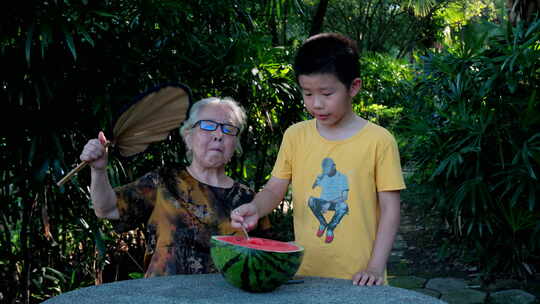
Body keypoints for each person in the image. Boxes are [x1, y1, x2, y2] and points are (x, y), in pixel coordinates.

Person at [231, 32, 406, 286]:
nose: (316, 104)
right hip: (304, 273)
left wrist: (376, 267)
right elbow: (274, 189)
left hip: (361, 278)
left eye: (326, 93)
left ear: (353, 87)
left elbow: (391, 209)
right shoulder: (295, 135)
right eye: (307, 94)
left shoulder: (379, 141)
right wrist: (255, 208)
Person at [81, 96, 271, 277]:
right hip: (162, 297)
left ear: (235, 144)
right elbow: (106, 208)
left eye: (228, 129)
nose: (219, 135)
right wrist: (98, 170)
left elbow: (266, 263)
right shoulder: (163, 181)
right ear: (188, 137)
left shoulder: (249, 199)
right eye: (208, 125)